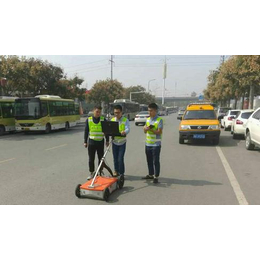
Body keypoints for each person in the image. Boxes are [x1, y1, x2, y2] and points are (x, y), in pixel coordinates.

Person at [84, 105, 109, 179]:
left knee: (101, 158)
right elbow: (86, 131)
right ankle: (92, 172)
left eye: (100, 112)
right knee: (91, 159)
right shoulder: (89, 120)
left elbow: (106, 131)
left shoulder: (103, 120)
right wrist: (85, 141)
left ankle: (100, 172)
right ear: (93, 111)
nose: (98, 113)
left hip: (100, 142)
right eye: (97, 112)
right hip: (92, 142)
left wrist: (107, 140)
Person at [142, 103, 163, 184]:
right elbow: (144, 131)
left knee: (156, 161)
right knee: (149, 160)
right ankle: (150, 174)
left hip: (156, 144)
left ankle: (156, 176)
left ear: (155, 111)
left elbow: (159, 132)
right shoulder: (147, 120)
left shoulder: (159, 120)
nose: (149, 112)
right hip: (148, 144)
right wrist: (145, 129)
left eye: (151, 111)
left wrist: (151, 130)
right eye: (148, 111)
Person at [111, 104, 130, 177]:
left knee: (120, 158)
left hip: (122, 142)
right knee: (115, 158)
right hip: (114, 142)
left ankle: (121, 173)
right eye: (115, 112)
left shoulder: (125, 120)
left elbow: (128, 128)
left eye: (118, 112)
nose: (116, 114)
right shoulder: (112, 120)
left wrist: (125, 131)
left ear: (121, 112)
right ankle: (116, 171)